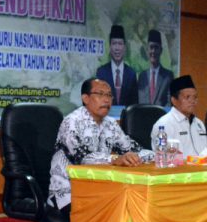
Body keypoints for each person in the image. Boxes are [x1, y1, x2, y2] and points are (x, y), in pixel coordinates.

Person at [47, 78, 153, 211]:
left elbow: (133, 149)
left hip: (99, 191)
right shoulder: (71, 122)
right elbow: (83, 159)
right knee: (118, 210)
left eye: (109, 95)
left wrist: (160, 156)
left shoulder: (111, 124)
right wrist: (116, 159)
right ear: (85, 98)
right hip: (68, 193)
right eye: (100, 94)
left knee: (136, 204)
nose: (106, 100)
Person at [150, 75, 207, 157]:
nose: (192, 101)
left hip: (204, 165)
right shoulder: (164, 125)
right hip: (179, 165)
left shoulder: (199, 123)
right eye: (187, 97)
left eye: (195, 97)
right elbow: (163, 157)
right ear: (174, 100)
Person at [95, 25, 138, 106]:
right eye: (114, 43)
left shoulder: (131, 74)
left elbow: (134, 104)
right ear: (110, 47)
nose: (117, 48)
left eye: (120, 44)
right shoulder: (101, 73)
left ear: (124, 47)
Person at [137, 29, 173, 106]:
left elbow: (169, 103)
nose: (153, 51)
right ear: (147, 50)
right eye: (151, 47)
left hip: (161, 114)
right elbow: (139, 102)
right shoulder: (142, 76)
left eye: (156, 47)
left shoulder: (168, 76)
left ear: (161, 50)